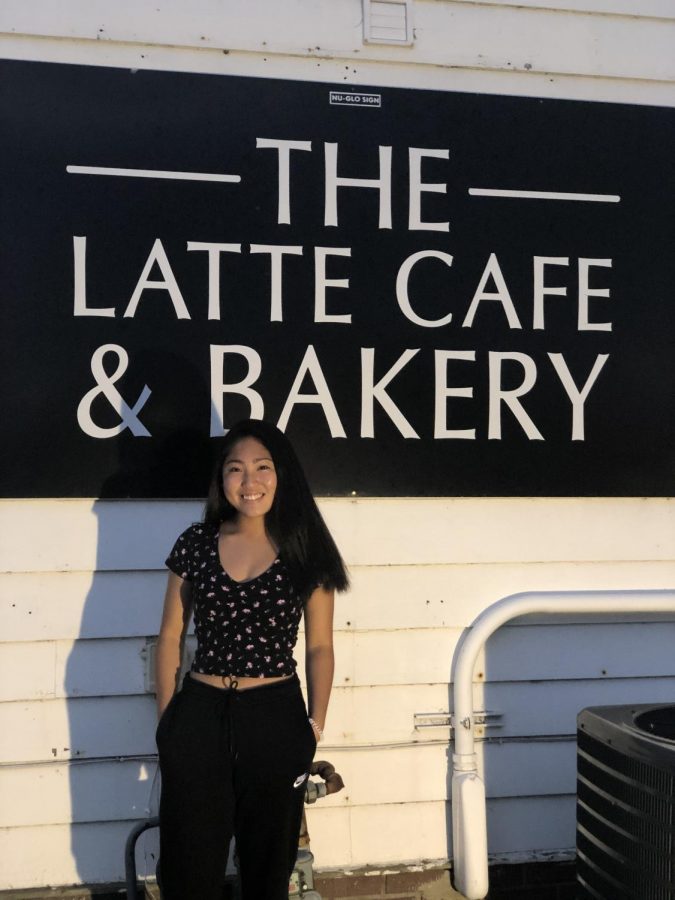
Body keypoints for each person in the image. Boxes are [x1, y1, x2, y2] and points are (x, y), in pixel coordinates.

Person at [154, 418, 348, 900]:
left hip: (275, 718)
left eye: (263, 467)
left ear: (282, 475)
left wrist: (314, 727)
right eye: (236, 469)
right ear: (222, 479)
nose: (250, 481)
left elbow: (320, 646)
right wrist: (168, 722)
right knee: (187, 866)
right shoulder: (196, 544)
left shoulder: (306, 549)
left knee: (268, 865)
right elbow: (170, 635)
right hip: (199, 715)